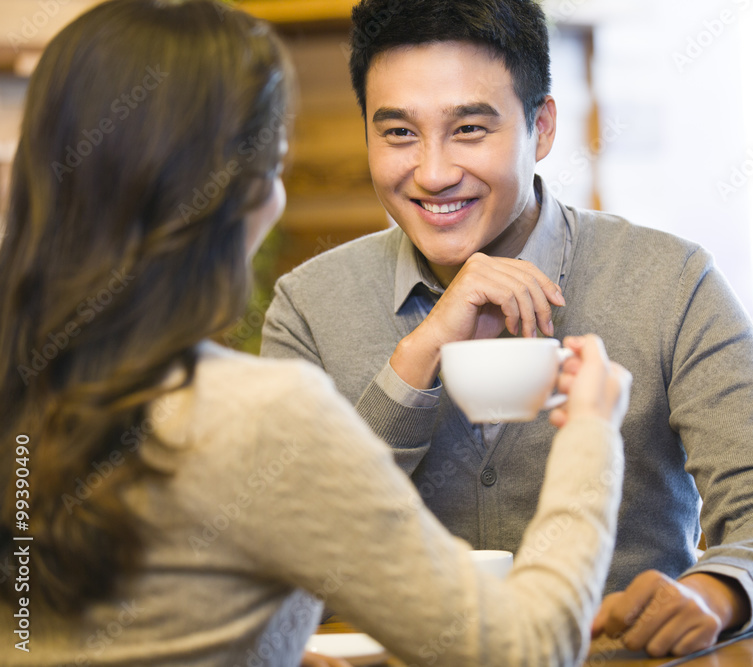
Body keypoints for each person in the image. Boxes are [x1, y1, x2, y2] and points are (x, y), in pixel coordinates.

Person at [0, 1, 633, 666]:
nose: (435, 169)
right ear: (236, 192)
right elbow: (526, 649)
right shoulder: (259, 409)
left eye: (469, 127)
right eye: (273, 164)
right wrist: (590, 432)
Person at [261, 0, 753, 657]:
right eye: (398, 134)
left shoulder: (672, 281)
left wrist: (713, 593)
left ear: (541, 127)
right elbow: (282, 545)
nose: (433, 172)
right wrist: (414, 362)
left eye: (470, 129)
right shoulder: (306, 308)